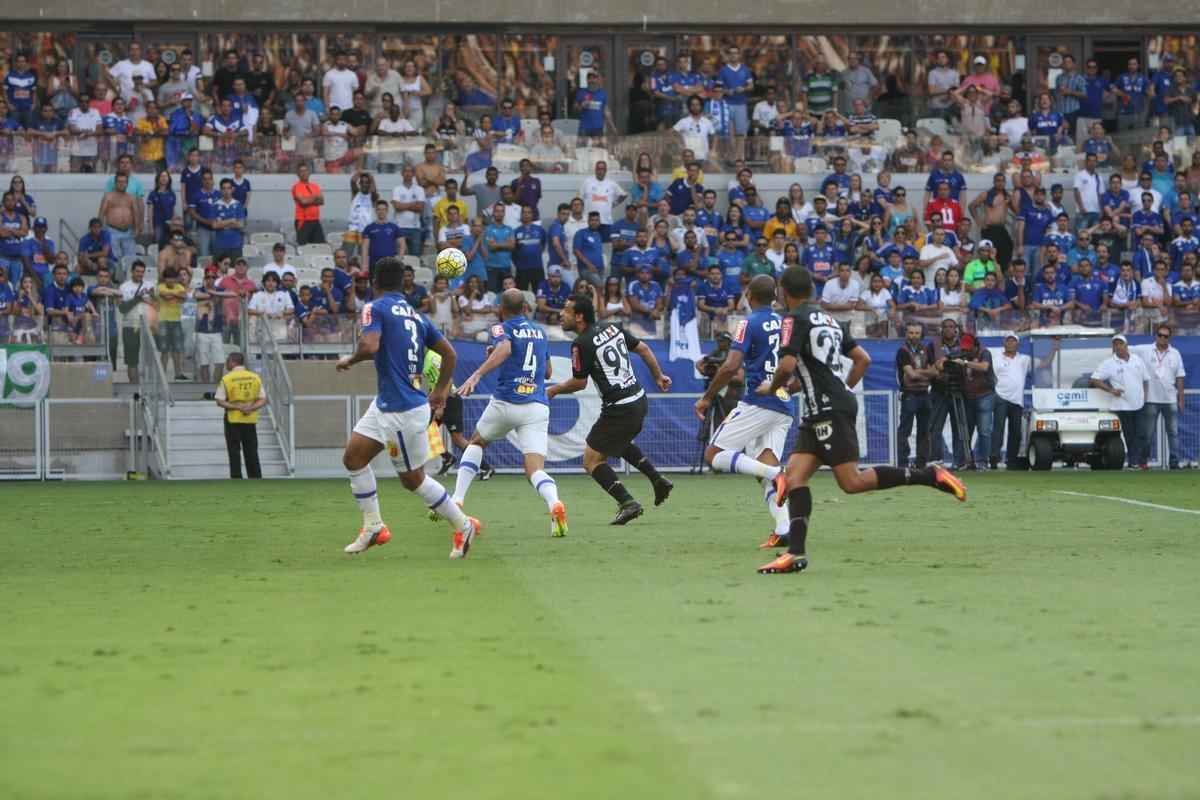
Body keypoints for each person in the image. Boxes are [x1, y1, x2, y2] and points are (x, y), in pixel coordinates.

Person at [756, 266, 966, 575]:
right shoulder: (830, 319)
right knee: (794, 477)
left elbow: (787, 365)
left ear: (784, 292)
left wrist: (772, 388)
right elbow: (862, 360)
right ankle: (794, 554)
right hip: (821, 410)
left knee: (852, 482)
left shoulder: (793, 319)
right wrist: (840, 390)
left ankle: (929, 475)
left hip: (827, 411)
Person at [336, 257, 482, 558]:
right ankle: (374, 527)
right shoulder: (416, 316)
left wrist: (350, 360)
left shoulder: (374, 308)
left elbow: (370, 345)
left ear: (375, 282)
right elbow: (450, 354)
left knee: (413, 479)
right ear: (403, 283)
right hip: (387, 404)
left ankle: (463, 524)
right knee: (353, 458)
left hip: (401, 410)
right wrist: (440, 391)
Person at [547, 296, 673, 525]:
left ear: (579, 316)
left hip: (620, 408)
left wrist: (553, 390)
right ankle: (657, 480)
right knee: (618, 442)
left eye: (566, 310)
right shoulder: (612, 328)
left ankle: (628, 503)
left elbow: (579, 383)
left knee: (591, 461)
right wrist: (658, 376)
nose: (560, 314)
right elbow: (644, 348)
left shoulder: (581, 344)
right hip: (638, 399)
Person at [450, 289, 566, 536]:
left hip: (506, 402)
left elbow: (505, 348)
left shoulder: (499, 328)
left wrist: (477, 374)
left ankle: (457, 500)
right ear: (525, 308)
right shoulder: (540, 331)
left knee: (477, 442)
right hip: (536, 405)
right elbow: (547, 372)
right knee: (535, 469)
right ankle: (554, 503)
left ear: (501, 309)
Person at [692, 275, 793, 545]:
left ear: (749, 296)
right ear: (774, 297)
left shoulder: (748, 323)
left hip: (759, 401)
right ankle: (785, 529)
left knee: (714, 455)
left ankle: (778, 474)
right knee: (764, 468)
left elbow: (730, 366)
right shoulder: (786, 323)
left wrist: (706, 397)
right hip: (783, 403)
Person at [1090, 333, 1150, 469]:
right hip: (1122, 405)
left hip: (1139, 404)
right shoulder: (1109, 363)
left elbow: (1146, 380)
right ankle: (1134, 462)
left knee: (1142, 434)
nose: (1118, 346)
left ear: (1126, 345)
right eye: (1115, 344)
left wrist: (1145, 398)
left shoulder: (1137, 360)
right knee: (1129, 435)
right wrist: (1111, 390)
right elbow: (1094, 379)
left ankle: (1140, 461)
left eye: (1120, 343)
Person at [1134, 323, 1186, 470]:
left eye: (1166, 336)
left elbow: (1180, 377)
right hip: (1151, 399)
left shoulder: (1175, 353)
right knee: (1148, 434)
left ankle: (1174, 463)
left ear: (1170, 338)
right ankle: (1143, 462)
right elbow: (1125, 348)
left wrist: (1181, 399)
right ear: (1155, 336)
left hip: (1170, 399)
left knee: (1173, 433)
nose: (1162, 338)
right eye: (1160, 335)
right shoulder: (1145, 350)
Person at [213, 352, 266, 480]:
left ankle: (236, 478)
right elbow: (263, 399)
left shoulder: (227, 379)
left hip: (233, 419)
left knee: (234, 451)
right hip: (250, 419)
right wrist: (250, 408)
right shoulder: (255, 377)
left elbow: (219, 401)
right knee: (251, 451)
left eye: (227, 361)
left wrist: (238, 407)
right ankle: (255, 478)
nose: (226, 364)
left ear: (233, 362)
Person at [895, 321, 937, 470]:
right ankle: (903, 463)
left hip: (925, 394)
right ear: (906, 334)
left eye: (917, 333)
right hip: (909, 394)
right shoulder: (902, 351)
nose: (914, 336)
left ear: (921, 334)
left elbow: (935, 372)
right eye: (911, 333)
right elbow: (911, 375)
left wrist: (919, 372)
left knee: (924, 431)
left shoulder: (926, 350)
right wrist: (926, 373)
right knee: (905, 431)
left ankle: (921, 464)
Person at [991, 332, 1030, 470]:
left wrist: (1054, 348)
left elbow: (1043, 364)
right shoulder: (996, 359)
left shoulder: (1025, 359)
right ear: (1004, 343)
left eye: (1013, 341)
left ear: (1018, 344)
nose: (1010, 343)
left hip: (1017, 401)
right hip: (1000, 398)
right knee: (998, 430)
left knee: (1016, 432)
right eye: (1008, 341)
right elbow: (990, 376)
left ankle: (1011, 460)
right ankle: (994, 458)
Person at [117, 260, 154, 382]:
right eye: (137, 271)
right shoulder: (124, 287)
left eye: (142, 272)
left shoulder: (150, 285)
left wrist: (152, 300)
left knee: (149, 359)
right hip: (130, 325)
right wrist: (137, 299)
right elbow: (122, 309)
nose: (140, 274)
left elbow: (156, 305)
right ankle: (134, 388)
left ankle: (148, 387)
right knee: (132, 360)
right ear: (131, 272)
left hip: (147, 325)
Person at [291, 163, 325, 245]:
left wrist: (308, 199)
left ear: (309, 172)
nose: (304, 173)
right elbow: (303, 202)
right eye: (301, 171)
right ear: (298, 174)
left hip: (316, 221)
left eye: (306, 171)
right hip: (303, 222)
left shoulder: (315, 186)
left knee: (320, 246)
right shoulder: (296, 187)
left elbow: (321, 201)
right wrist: (315, 197)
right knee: (304, 247)